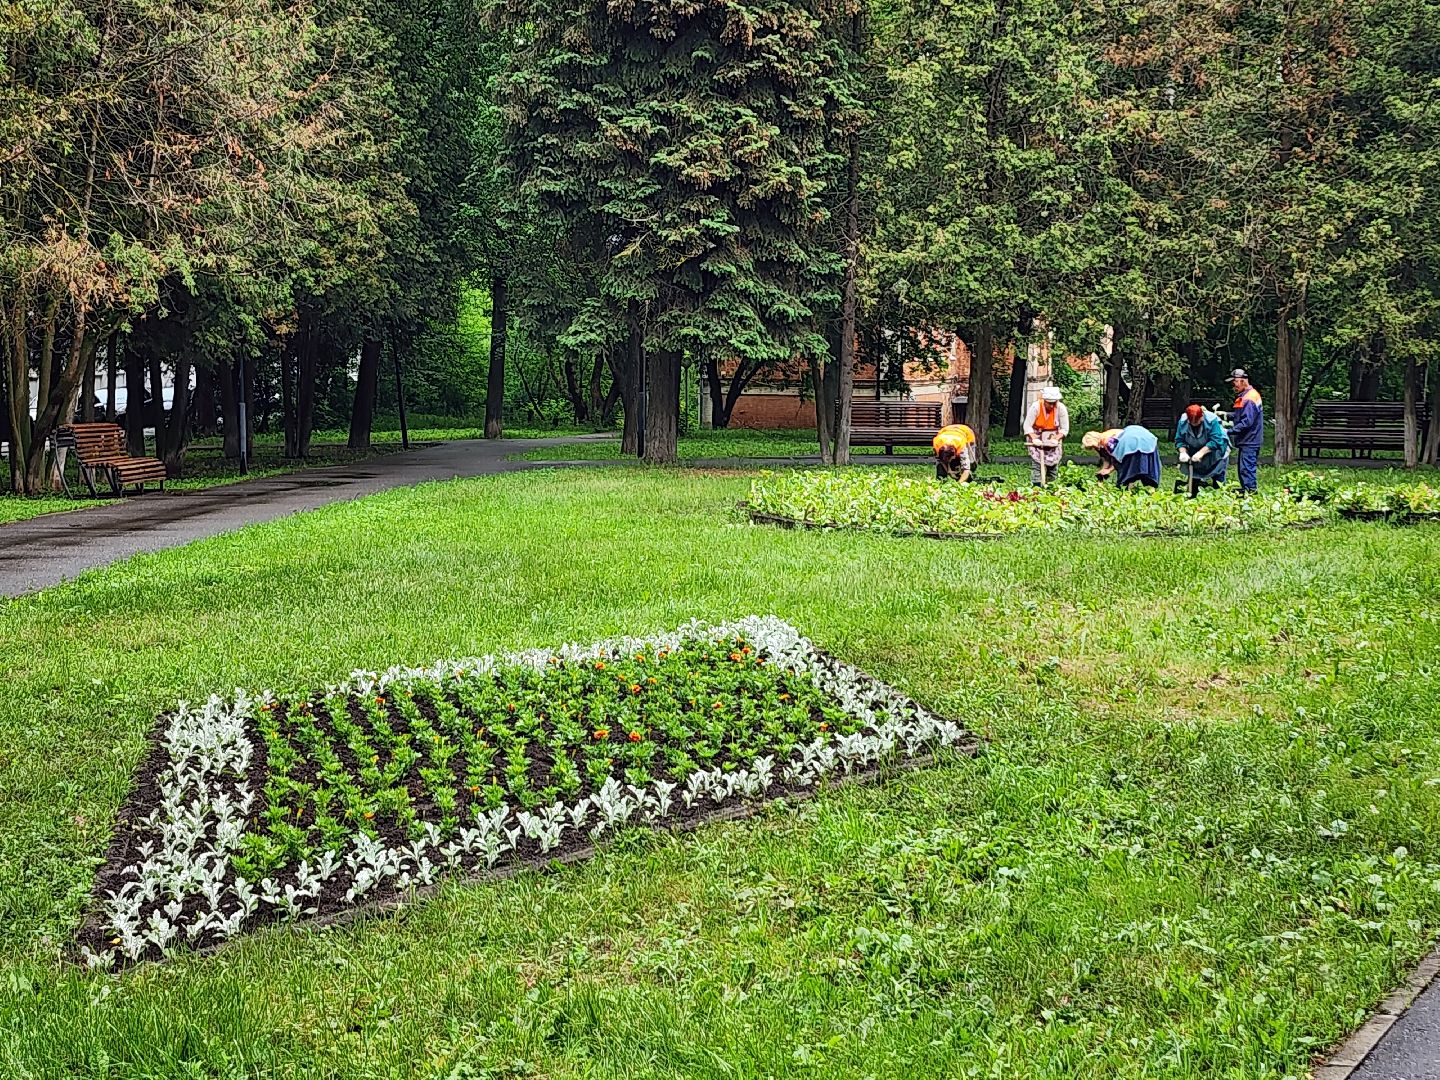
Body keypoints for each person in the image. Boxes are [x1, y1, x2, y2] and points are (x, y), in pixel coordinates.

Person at [1174, 403, 1229, 492]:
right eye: (1192, 423)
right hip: (1194, 450)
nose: (1194, 425)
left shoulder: (1212, 420)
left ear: (1202, 416)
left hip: (1216, 452)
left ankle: (1220, 497)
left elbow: (1216, 441)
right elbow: (1180, 440)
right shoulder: (1183, 421)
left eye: (1197, 422)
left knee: (1218, 480)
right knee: (1194, 478)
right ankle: (1194, 494)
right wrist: (1183, 452)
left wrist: (1201, 453)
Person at [1083, 425, 1159, 487]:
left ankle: (1127, 491)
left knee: (1127, 474)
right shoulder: (1108, 433)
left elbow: (1118, 458)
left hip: (1132, 442)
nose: (1094, 449)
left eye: (1092, 447)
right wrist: (1105, 469)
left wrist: (1109, 470)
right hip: (1148, 440)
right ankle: (1149, 490)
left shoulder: (1107, 441)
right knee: (1147, 472)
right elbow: (1107, 458)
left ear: (1095, 441)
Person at [1023, 386, 1069, 485]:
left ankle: (1051, 485)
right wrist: (1034, 438)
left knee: (1053, 465)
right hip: (1037, 436)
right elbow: (1027, 426)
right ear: (1044, 401)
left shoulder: (1061, 408)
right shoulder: (1036, 407)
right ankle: (1037, 486)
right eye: (1049, 403)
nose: (1052, 406)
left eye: (1054, 403)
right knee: (1037, 465)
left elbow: (1064, 429)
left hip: (1053, 437)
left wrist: (1056, 439)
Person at [1229, 368, 1264, 494]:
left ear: (1243, 381)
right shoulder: (1247, 395)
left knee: (1247, 467)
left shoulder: (1249, 398)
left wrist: (1230, 431)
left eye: (1235, 382)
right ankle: (1246, 488)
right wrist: (1226, 415)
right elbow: (1240, 414)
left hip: (1250, 439)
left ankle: (1250, 490)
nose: (1234, 386)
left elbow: (1246, 422)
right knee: (1243, 466)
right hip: (1249, 439)